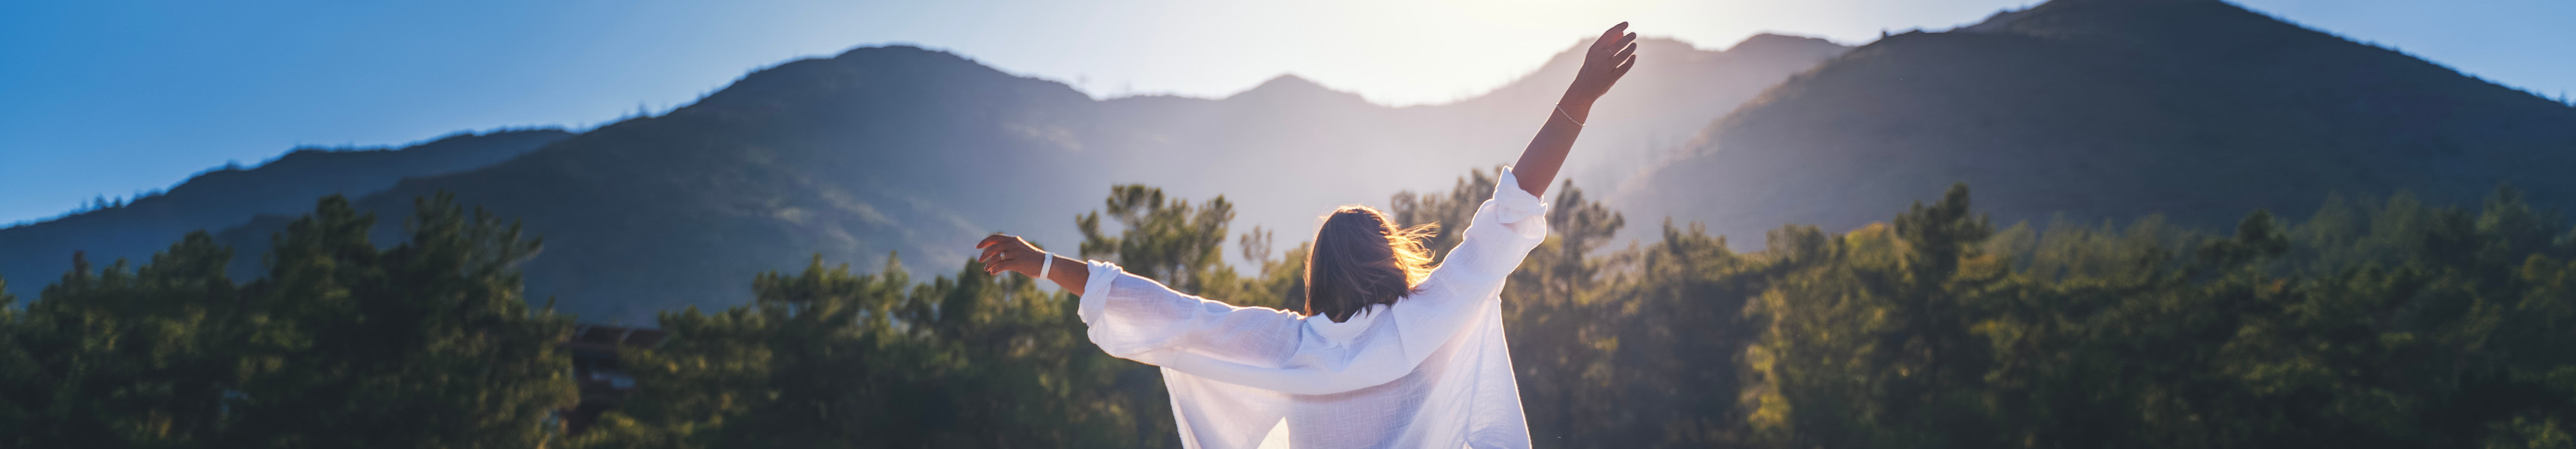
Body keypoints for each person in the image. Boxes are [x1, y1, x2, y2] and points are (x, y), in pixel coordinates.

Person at [973, 22, 1638, 449]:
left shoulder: (1289, 346)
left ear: (1317, 277)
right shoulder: (1434, 313)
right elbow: (1511, 208)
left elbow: (1169, 313)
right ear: (1390, 260)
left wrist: (1046, 263)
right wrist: (1579, 94)